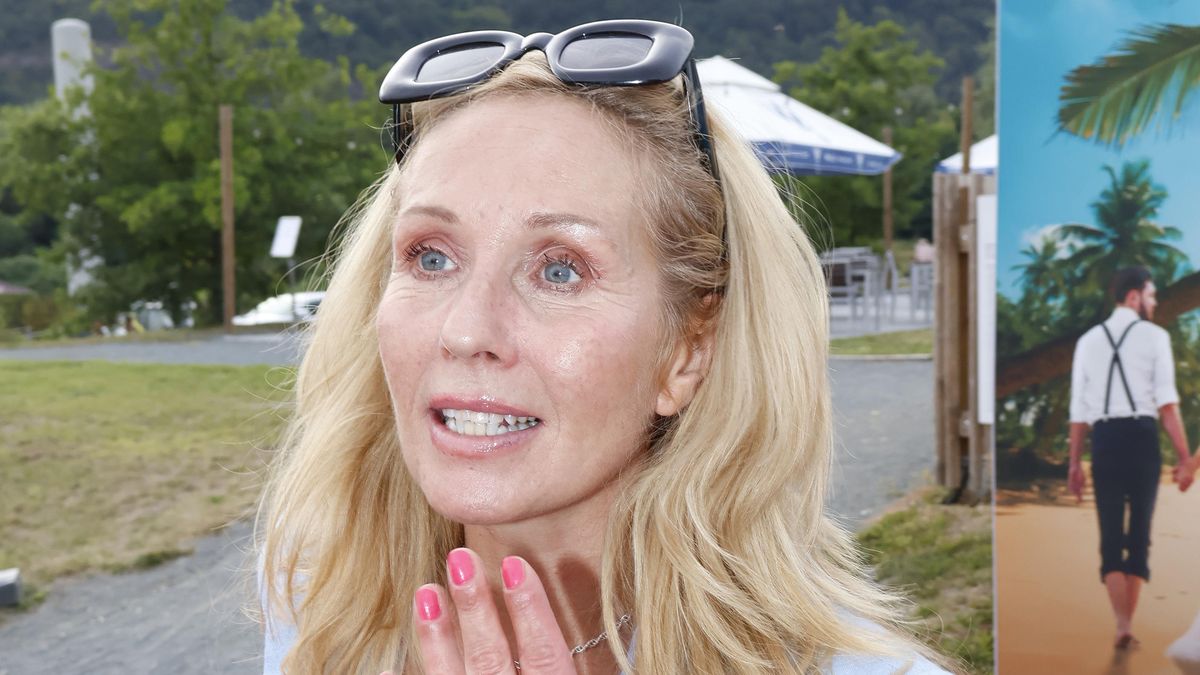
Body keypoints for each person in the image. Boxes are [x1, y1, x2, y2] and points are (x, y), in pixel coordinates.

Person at [256, 20, 947, 674]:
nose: (466, 331)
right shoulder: (321, 609)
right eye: (431, 257)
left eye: (560, 270)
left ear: (689, 349)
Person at [1067, 266, 1193, 650]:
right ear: (1134, 296)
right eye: (1151, 295)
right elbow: (1167, 405)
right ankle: (1126, 625)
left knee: (1109, 534)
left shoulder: (1088, 341)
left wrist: (1073, 464)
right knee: (1139, 534)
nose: (1154, 303)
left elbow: (1079, 412)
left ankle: (1122, 623)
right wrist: (1185, 458)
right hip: (1142, 438)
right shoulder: (1156, 337)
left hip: (1104, 439)